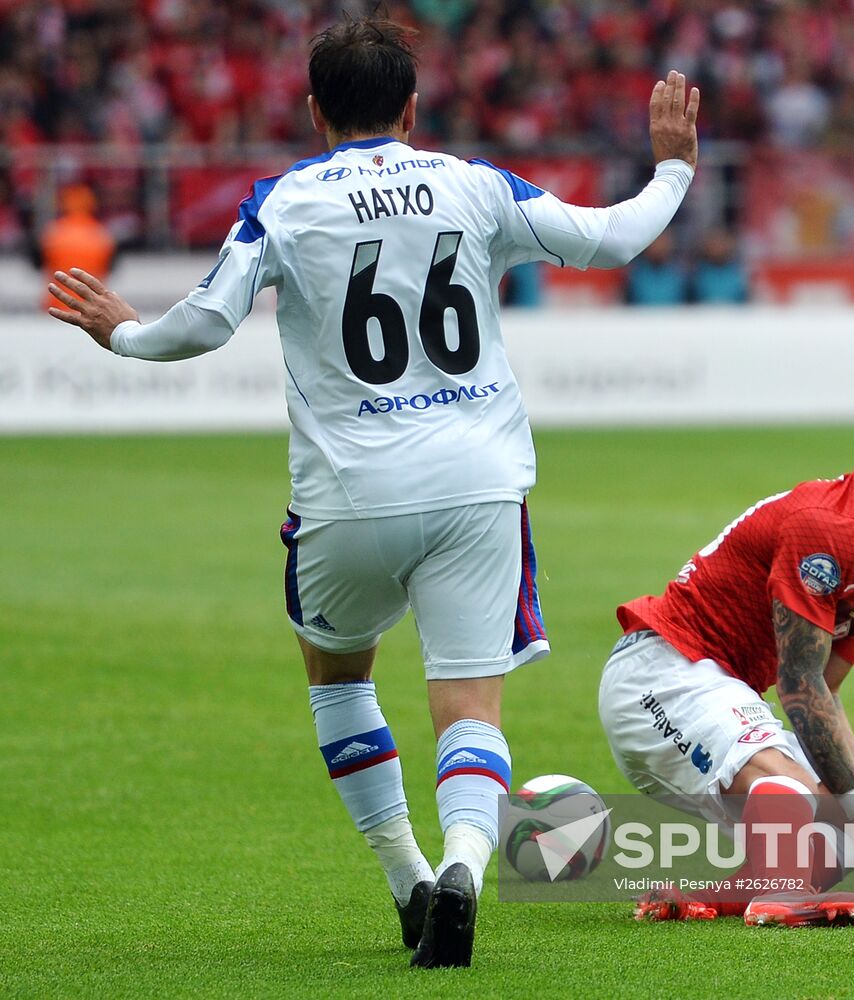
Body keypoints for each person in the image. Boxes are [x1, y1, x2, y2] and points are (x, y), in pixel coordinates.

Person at [46, 13, 700, 969]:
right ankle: (468, 867)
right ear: (412, 107)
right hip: (478, 486)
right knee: (469, 705)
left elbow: (204, 324)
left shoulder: (285, 200)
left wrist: (123, 333)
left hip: (348, 493)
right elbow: (610, 241)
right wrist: (674, 168)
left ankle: (408, 877)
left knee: (339, 676)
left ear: (315, 111)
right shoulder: (476, 186)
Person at [599, 399, 854, 926]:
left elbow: (825, 693)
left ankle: (714, 898)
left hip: (716, 694)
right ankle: (786, 898)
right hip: (665, 671)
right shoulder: (825, 527)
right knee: (810, 793)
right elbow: (796, 683)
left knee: (848, 833)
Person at [36, 183, 116, 313]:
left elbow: (38, 264)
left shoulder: (52, 233)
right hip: (92, 309)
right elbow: (110, 268)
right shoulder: (102, 235)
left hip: (56, 305)